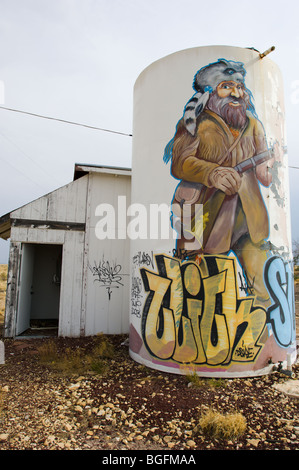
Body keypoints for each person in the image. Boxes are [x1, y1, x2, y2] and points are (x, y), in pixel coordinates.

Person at [165, 59, 275, 308]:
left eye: (240, 87)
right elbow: (180, 162)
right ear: (210, 91)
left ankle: (262, 338)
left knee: (263, 290)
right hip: (207, 218)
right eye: (227, 86)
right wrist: (212, 173)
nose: (237, 93)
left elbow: (264, 173)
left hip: (250, 219)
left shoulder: (253, 124)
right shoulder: (194, 123)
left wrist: (271, 166)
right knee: (204, 294)